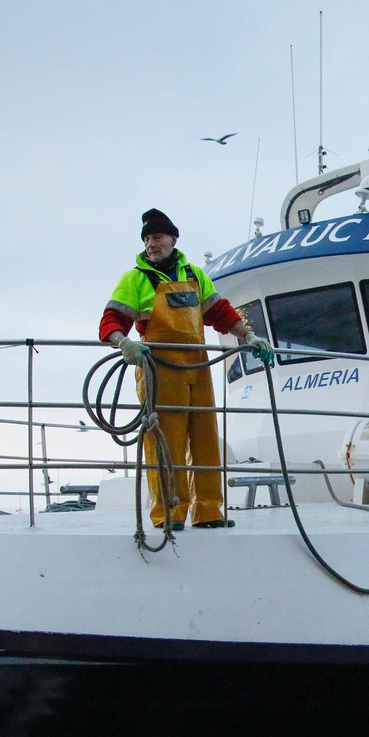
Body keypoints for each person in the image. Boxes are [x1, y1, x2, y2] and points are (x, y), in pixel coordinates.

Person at [98, 208, 273, 530]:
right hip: (160, 368)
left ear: (173, 240)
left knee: (206, 438)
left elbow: (219, 312)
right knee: (166, 441)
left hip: (198, 365)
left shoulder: (194, 275)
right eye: (148, 239)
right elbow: (111, 320)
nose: (152, 244)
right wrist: (124, 342)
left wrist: (248, 335)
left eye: (158, 237)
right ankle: (169, 514)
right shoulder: (135, 279)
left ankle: (209, 512)